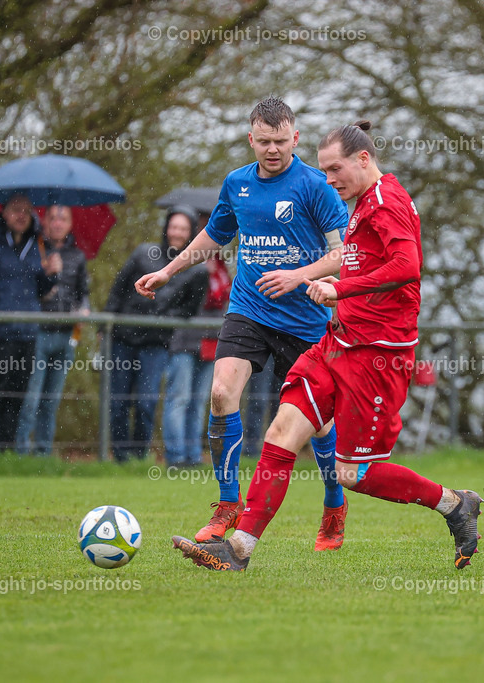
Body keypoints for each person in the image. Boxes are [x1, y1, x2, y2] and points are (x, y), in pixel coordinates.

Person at [170, 120, 482, 571]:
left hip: (378, 356)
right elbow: (365, 268)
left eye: (335, 169)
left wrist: (340, 289)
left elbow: (407, 266)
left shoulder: (386, 202)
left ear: (363, 158)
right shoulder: (361, 202)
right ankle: (237, 548)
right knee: (282, 431)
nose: (329, 179)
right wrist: (336, 282)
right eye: (324, 170)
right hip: (337, 345)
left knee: (355, 474)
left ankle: (453, 504)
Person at [136, 97, 350, 550]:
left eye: (281, 141)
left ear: (295, 138)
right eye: (264, 141)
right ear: (251, 139)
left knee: (322, 425)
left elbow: (341, 254)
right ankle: (227, 503)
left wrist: (299, 274)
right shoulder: (237, 183)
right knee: (220, 392)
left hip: (305, 318)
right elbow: (215, 235)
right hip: (248, 309)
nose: (273, 150)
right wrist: (168, 271)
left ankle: (334, 502)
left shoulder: (316, 185)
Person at [104, 205, 207, 462]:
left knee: (146, 403)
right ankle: (119, 458)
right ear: (166, 228)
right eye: (173, 226)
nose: (177, 232)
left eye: (183, 228)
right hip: (123, 338)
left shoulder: (197, 270)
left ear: (191, 232)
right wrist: (103, 328)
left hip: (156, 343)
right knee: (118, 402)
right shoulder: (142, 255)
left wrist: (161, 319)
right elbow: (117, 291)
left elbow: (189, 310)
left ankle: (139, 457)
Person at [0, 195, 61, 452]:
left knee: (17, 393)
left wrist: (52, 276)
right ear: (4, 213)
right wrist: (1, 311)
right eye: (15, 210)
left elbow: (40, 290)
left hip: (27, 333)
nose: (21, 215)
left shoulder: (38, 246)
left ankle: (6, 452)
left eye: (26, 210)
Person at [15, 205, 90, 455]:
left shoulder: (78, 256)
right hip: (38, 332)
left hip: (66, 335)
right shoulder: (33, 249)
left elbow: (83, 293)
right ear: (45, 222)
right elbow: (23, 289)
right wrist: (45, 275)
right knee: (31, 398)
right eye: (53, 218)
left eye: (63, 219)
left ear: (70, 224)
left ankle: (43, 453)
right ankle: (21, 452)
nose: (58, 223)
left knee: (51, 400)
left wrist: (84, 309)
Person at [161, 245, 231, 467]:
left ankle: (193, 457)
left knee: (200, 402)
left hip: (211, 343)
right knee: (178, 398)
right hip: (184, 341)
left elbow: (225, 302)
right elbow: (177, 301)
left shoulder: (222, 269)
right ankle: (176, 457)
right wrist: (199, 274)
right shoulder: (186, 265)